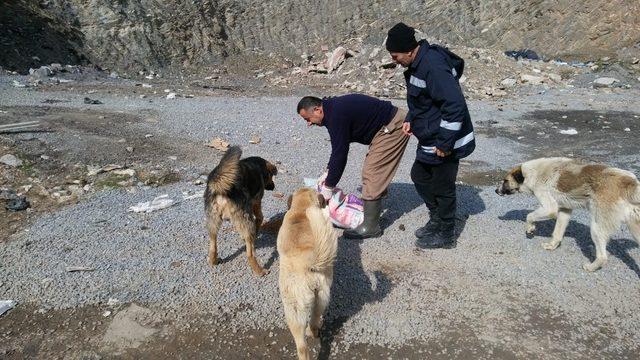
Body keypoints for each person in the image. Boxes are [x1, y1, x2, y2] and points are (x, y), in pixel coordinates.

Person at [386, 22, 475, 249]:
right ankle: (436, 218)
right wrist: (410, 120)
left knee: (443, 186)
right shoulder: (417, 64)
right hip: (429, 137)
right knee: (420, 175)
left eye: (395, 56)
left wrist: (445, 142)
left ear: (408, 50)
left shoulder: (433, 66)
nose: (394, 60)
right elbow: (422, 102)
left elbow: (454, 105)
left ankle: (446, 233)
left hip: (444, 141)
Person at [296, 94, 409, 239]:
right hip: (385, 127)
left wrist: (329, 187)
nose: (308, 124)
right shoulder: (332, 110)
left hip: (393, 126)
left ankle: (371, 226)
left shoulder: (335, 115)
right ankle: (374, 205)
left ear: (317, 110)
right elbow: (338, 147)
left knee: (373, 171)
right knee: (373, 168)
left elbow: (340, 154)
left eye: (307, 119)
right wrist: (328, 171)